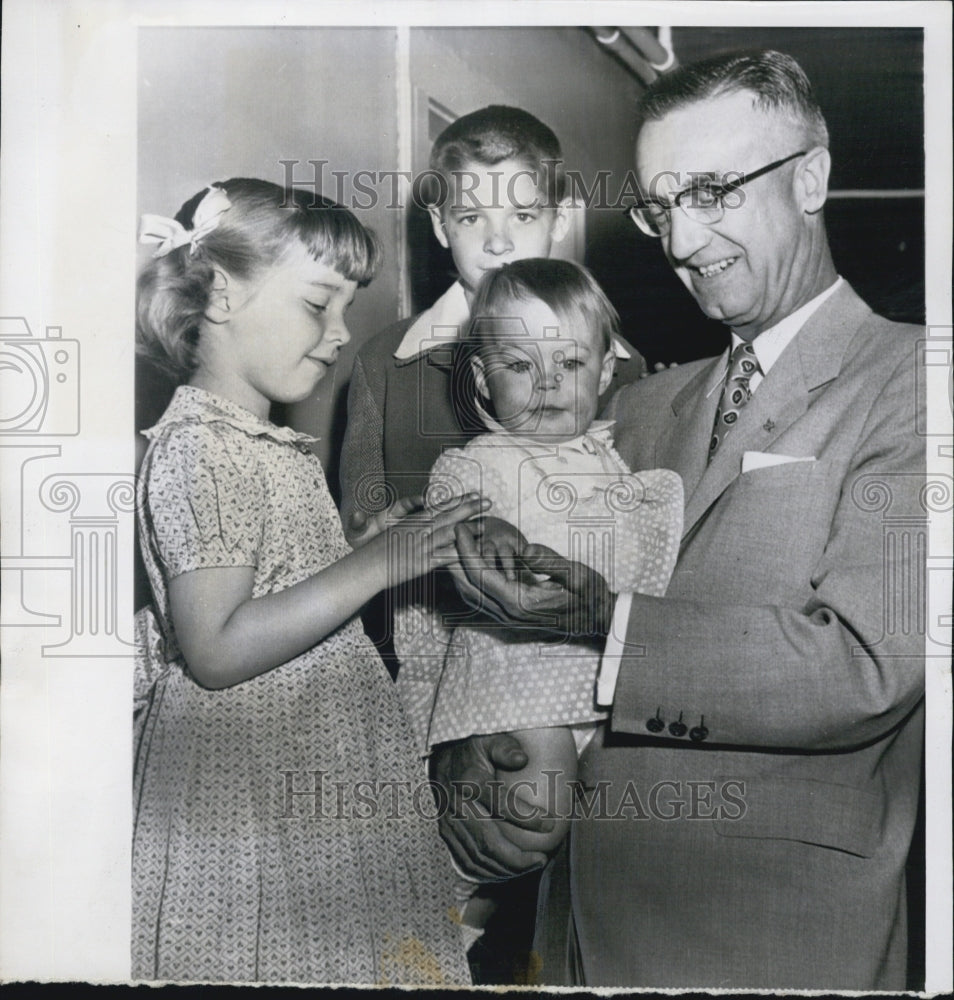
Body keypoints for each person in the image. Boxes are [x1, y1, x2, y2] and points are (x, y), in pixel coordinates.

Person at [433, 50, 926, 991]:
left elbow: (865, 664)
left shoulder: (914, 382)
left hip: (769, 928)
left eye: (712, 192)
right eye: (660, 208)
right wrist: (464, 757)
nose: (682, 239)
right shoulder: (645, 404)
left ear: (811, 178)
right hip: (577, 921)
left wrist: (603, 624)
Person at [132, 178, 482, 985]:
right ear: (219, 293)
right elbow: (217, 647)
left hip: (315, 753)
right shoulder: (201, 446)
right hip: (253, 778)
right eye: (317, 305)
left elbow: (274, 588)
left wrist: (360, 545)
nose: (339, 334)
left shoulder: (261, 441)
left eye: (347, 308)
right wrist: (372, 567)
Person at [394, 259, 681, 935]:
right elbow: (452, 517)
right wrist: (484, 526)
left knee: (588, 864)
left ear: (607, 372)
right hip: (520, 683)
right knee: (530, 818)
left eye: (571, 364)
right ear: (483, 381)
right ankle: (434, 923)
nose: (548, 384)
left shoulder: (617, 458)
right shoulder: (478, 461)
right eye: (519, 365)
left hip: (607, 690)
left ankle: (479, 930)